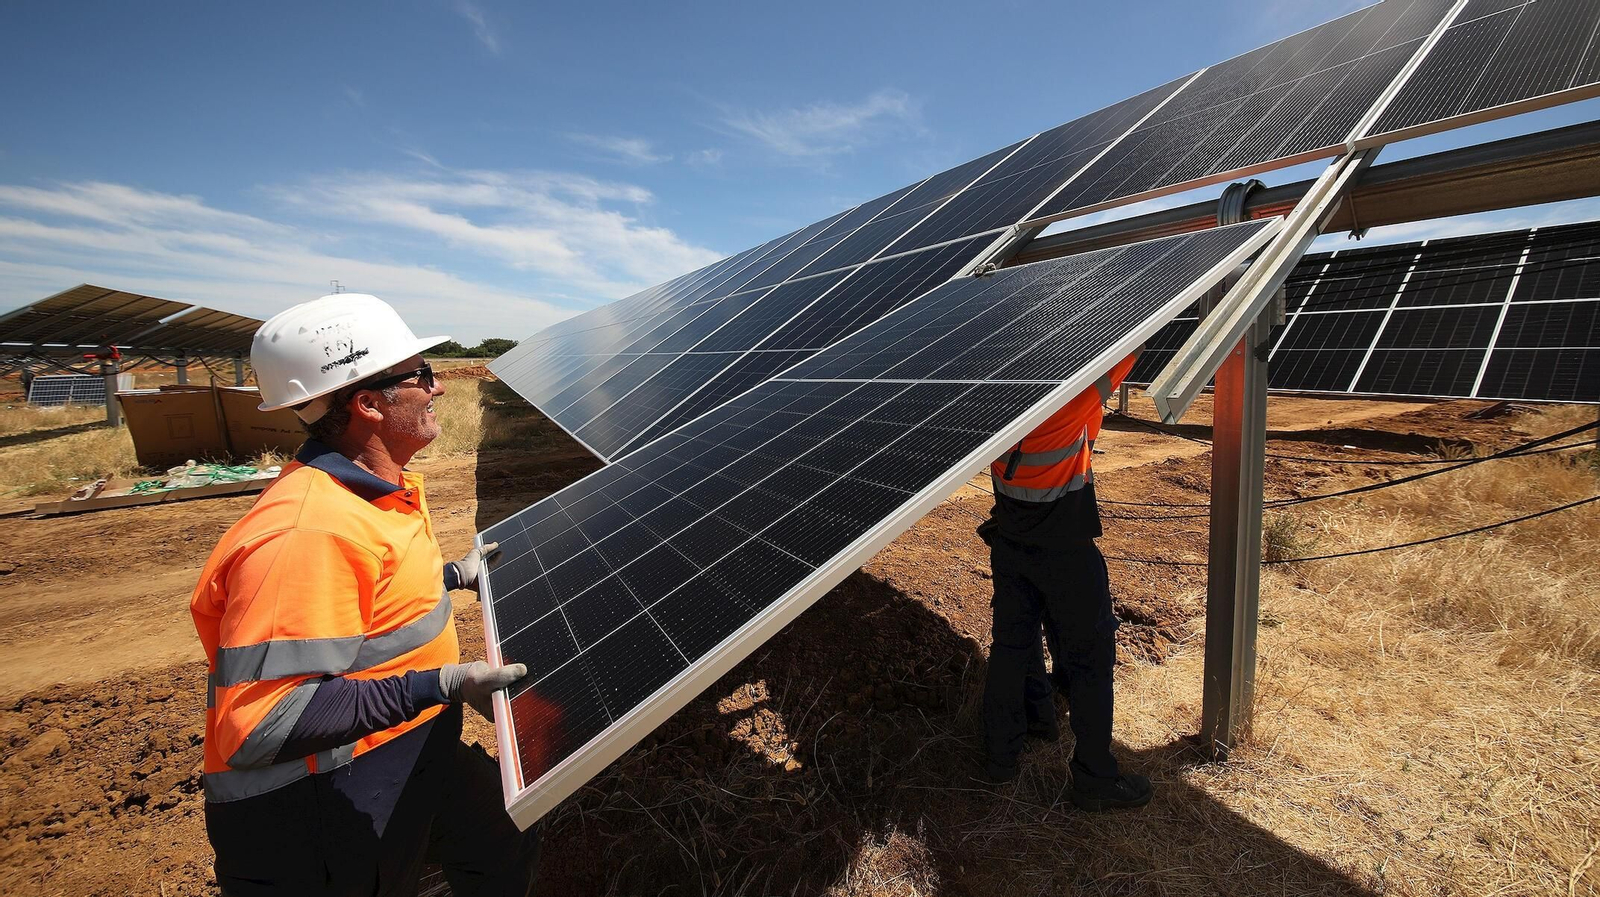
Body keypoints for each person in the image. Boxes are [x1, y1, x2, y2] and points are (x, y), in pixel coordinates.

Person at [190, 293, 539, 896]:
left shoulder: (371, 492)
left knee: (501, 834)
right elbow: (263, 723)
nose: (438, 387)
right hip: (319, 811)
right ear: (369, 404)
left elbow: (364, 598)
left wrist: (450, 577)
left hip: (408, 748)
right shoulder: (308, 531)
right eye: (421, 375)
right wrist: (442, 684)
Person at [978, 352, 1152, 812]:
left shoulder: (990, 404)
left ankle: (1002, 755)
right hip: (1066, 553)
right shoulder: (1069, 400)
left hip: (1010, 545)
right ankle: (1095, 777)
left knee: (1011, 649)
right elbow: (1131, 346)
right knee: (1091, 660)